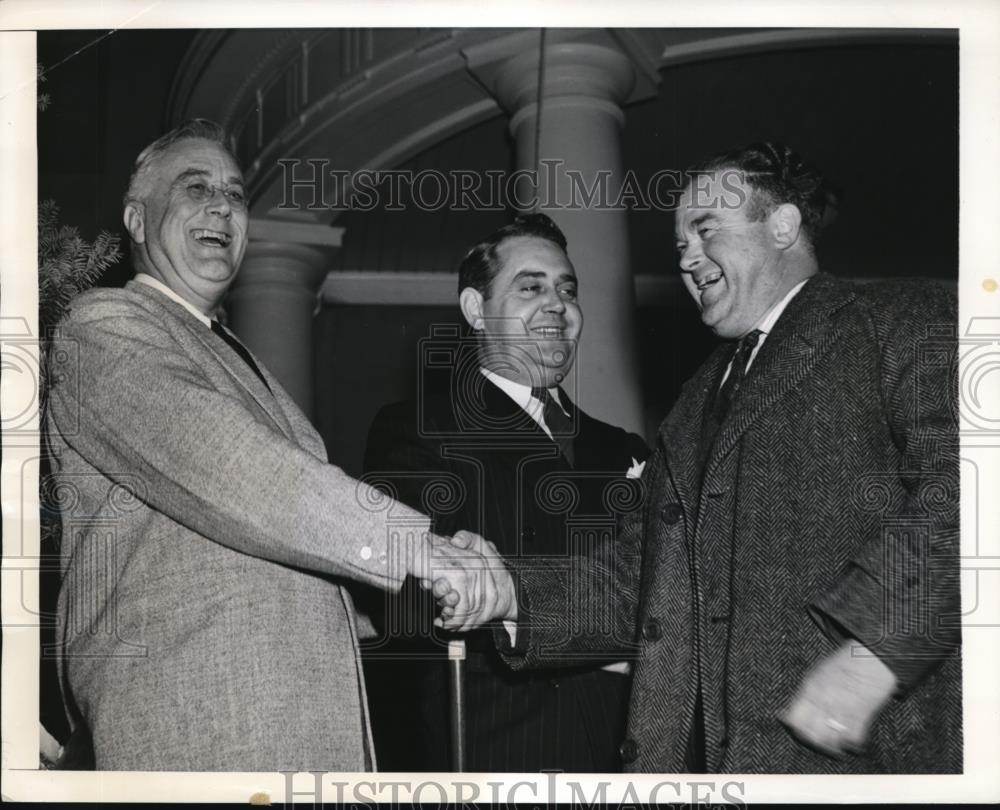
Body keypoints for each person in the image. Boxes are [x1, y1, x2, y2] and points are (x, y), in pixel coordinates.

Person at [445, 143, 961, 774]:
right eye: (678, 241)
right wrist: (513, 596)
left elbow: (972, 489)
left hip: (876, 762)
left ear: (783, 225)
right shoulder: (693, 404)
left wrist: (874, 653)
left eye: (705, 227)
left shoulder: (904, 319)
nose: (686, 256)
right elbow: (640, 577)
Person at [45, 119, 511, 772]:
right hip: (206, 738)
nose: (220, 206)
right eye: (195, 186)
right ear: (137, 219)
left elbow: (291, 557)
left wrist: (427, 590)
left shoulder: (235, 359)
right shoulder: (104, 328)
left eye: (235, 194)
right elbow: (230, 464)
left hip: (292, 741)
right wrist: (416, 548)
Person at [362, 213, 649, 772]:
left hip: (625, 754)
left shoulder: (623, 447)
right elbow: (411, 595)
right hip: (497, 753)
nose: (557, 304)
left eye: (567, 289)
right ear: (475, 309)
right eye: (531, 287)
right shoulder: (421, 429)